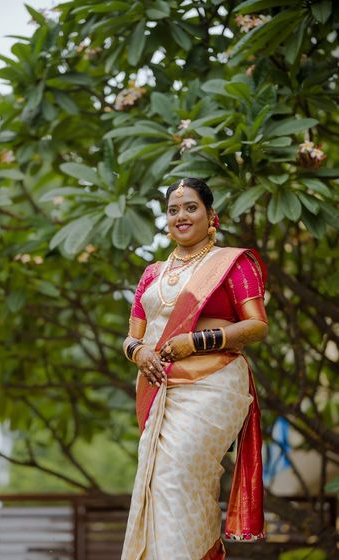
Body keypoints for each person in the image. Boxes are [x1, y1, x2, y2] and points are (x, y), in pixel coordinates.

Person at [121, 177, 268, 560]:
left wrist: (196, 341)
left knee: (178, 475)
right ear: (166, 220)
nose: (181, 216)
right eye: (173, 210)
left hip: (214, 383)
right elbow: (130, 337)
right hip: (161, 388)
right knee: (162, 482)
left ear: (211, 215)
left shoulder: (231, 263)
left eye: (191, 207)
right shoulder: (152, 274)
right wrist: (139, 353)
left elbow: (256, 325)